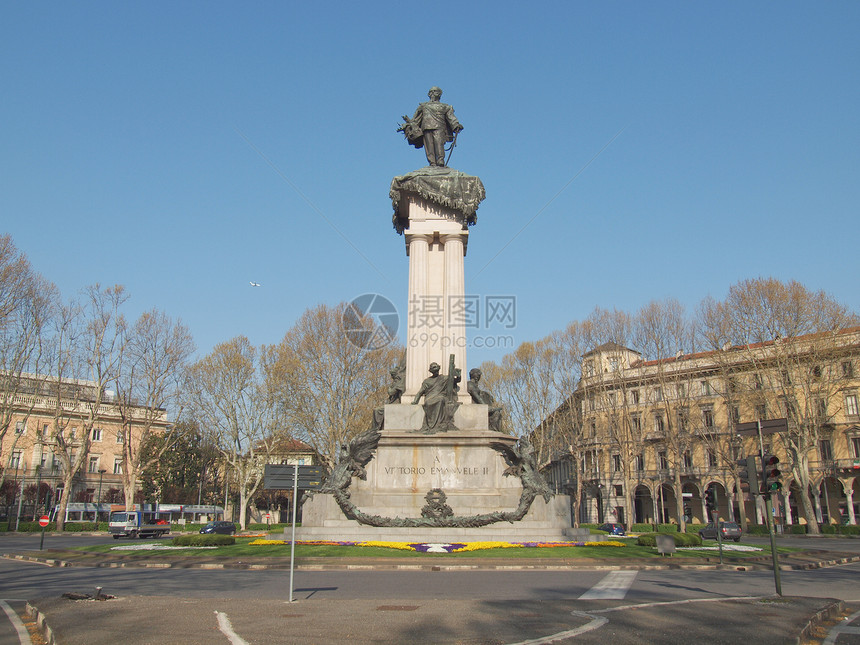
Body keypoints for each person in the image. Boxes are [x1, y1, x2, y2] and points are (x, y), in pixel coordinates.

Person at [399, 87, 464, 167]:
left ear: (439, 94)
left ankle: (440, 161)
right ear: (429, 94)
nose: (433, 93)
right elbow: (416, 119)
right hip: (426, 127)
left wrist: (456, 125)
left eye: (435, 91)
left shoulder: (445, 106)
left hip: (439, 127)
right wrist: (408, 125)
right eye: (431, 91)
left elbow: (451, 117)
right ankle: (432, 162)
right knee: (429, 146)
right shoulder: (423, 106)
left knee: (439, 144)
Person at [411, 362, 460, 433]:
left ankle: (439, 424)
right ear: (431, 371)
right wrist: (415, 401)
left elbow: (455, 380)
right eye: (434, 369)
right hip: (429, 398)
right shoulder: (427, 381)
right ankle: (432, 425)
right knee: (431, 402)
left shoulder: (443, 378)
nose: (436, 371)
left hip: (440, 397)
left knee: (441, 400)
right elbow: (420, 392)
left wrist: (458, 375)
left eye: (437, 369)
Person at [466, 368, 503, 432]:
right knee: (496, 413)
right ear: (476, 377)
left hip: (479, 406)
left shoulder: (475, 385)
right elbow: (477, 397)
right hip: (475, 407)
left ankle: (494, 430)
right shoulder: (470, 384)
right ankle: (493, 430)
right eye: (478, 376)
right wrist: (486, 407)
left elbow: (479, 395)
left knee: (497, 413)